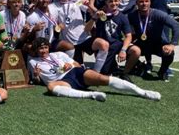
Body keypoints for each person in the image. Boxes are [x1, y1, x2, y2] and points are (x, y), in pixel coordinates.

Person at [29, 37, 161, 102]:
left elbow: (76, 64)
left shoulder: (58, 54)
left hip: (75, 73)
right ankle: (91, 95)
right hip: (61, 81)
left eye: (45, 47)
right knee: (51, 87)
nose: (43, 51)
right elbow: (37, 80)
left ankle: (142, 92)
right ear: (36, 50)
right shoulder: (33, 61)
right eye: (40, 48)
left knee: (103, 78)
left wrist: (70, 65)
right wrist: (35, 76)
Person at [126, 0, 179, 81]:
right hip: (141, 44)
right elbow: (121, 24)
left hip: (157, 43)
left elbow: (176, 25)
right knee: (126, 50)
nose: (144, 4)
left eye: (146, 1)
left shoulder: (158, 14)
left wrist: (172, 44)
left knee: (169, 53)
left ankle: (162, 71)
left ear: (150, 2)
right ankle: (141, 66)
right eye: (141, 1)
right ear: (136, 3)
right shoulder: (132, 16)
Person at [87, 0, 136, 77]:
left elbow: (128, 36)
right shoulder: (99, 13)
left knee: (135, 50)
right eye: (111, 1)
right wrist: (94, 18)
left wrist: (123, 50)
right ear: (106, 2)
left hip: (115, 45)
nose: (114, 3)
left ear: (119, 1)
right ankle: (113, 67)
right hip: (102, 46)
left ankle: (125, 73)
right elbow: (86, 29)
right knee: (104, 72)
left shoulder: (122, 17)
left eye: (116, 1)